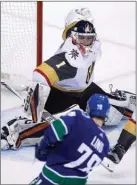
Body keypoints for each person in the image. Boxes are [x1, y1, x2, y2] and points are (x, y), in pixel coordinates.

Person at [1, 8, 135, 150]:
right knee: (68, 129)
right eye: (82, 36)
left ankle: (116, 100)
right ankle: (14, 133)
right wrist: (35, 107)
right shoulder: (69, 57)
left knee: (113, 114)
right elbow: (39, 75)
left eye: (88, 36)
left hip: (84, 90)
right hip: (59, 95)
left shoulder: (94, 44)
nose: (86, 39)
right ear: (73, 35)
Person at [29, 94, 110, 185]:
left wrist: (43, 149)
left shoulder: (79, 117)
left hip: (53, 175)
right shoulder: (105, 144)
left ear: (88, 108)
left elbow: (55, 129)